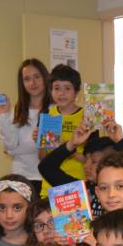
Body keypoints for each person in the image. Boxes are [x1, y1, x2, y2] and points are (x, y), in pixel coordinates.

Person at [38, 118, 123, 216]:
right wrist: (72, 143)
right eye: (86, 160)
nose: (86, 165)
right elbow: (46, 168)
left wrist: (120, 141)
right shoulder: (80, 190)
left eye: (94, 161)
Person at [0, 58, 50, 192]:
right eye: (27, 79)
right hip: (21, 177)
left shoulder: (55, 110)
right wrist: (4, 114)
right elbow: (10, 148)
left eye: (37, 77)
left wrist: (23, 147)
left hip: (49, 177)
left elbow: (55, 150)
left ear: (45, 78)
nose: (32, 83)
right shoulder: (16, 111)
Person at [38, 64, 86, 196]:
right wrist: (41, 142)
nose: (61, 93)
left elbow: (90, 160)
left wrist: (66, 149)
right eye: (57, 88)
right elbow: (42, 158)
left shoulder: (86, 117)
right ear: (50, 91)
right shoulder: (48, 115)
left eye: (67, 88)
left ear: (76, 92)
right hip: (49, 186)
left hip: (76, 184)